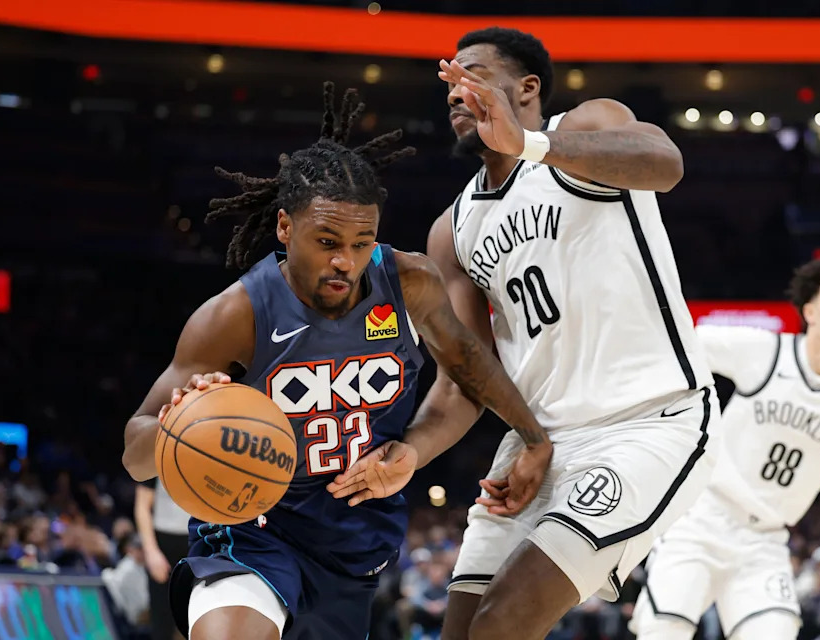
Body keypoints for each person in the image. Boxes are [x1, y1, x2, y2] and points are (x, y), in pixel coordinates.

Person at [121, 82, 552, 640]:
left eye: (362, 241)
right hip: (253, 534)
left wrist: (498, 441)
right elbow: (135, 454)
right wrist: (174, 428)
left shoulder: (410, 281)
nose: (345, 261)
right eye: (326, 241)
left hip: (355, 546)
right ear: (284, 227)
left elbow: (470, 373)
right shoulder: (234, 316)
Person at [329, 27, 720, 640]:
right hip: (535, 445)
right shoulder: (452, 230)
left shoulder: (588, 126)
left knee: (505, 623)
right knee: (460, 633)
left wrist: (534, 144)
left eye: (473, 77)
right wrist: (412, 453)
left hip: (645, 424)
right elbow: (465, 377)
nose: (456, 94)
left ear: (527, 87)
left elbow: (666, 165)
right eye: (448, 85)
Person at [630, 251, 820, 640]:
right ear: (810, 310)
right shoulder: (765, 351)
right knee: (662, 631)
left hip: (765, 541)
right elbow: (676, 340)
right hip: (699, 520)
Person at [135, 479, 189, 640]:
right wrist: (151, 551)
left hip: (201, 544)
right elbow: (142, 505)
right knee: (162, 625)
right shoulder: (156, 456)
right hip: (163, 550)